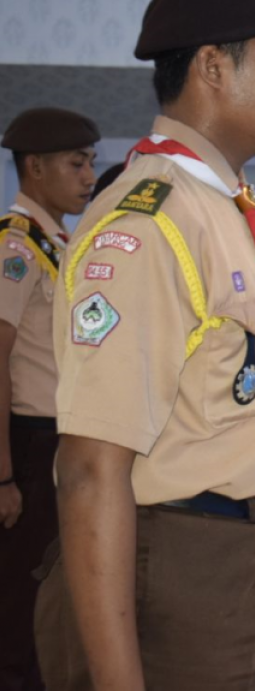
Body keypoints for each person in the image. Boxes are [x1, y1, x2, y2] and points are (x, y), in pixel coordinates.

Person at [34, 0, 255, 690]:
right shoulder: (148, 222)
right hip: (176, 568)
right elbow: (88, 469)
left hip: (240, 566)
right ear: (212, 67)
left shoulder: (227, 208)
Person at [0, 108, 98, 691]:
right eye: (76, 162)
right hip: (26, 445)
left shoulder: (55, 242)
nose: (89, 174)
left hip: (53, 440)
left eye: (90, 161)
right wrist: (3, 477)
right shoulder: (15, 245)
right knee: (18, 602)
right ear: (34, 167)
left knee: (46, 597)